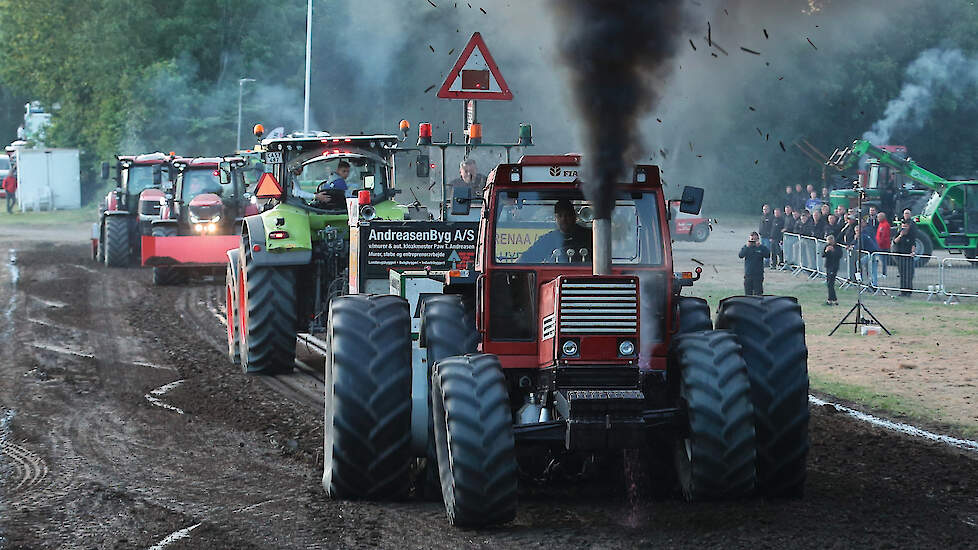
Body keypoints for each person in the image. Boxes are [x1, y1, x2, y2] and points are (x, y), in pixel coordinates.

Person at [519, 199, 591, 263]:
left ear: (574, 217)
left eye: (567, 215)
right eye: (560, 216)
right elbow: (525, 259)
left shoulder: (589, 236)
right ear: (555, 218)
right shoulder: (547, 240)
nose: (564, 219)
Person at [892, 208, 917, 296]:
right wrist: (900, 235)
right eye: (903, 227)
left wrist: (913, 252)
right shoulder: (899, 233)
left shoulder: (911, 233)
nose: (904, 228)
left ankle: (909, 291)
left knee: (909, 275)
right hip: (900, 256)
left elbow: (913, 244)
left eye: (906, 227)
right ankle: (903, 291)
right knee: (902, 275)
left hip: (908, 256)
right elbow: (895, 241)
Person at [739, 231, 770, 296]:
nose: (753, 242)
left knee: (758, 294)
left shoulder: (761, 248)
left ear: (758, 239)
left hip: (758, 274)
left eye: (755, 240)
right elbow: (741, 255)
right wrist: (746, 247)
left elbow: (767, 255)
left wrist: (760, 247)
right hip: (748, 274)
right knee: (748, 294)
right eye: (752, 240)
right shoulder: (747, 247)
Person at [856, 221, 880, 288]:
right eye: (856, 231)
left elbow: (861, 246)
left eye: (858, 230)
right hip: (871, 253)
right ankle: (873, 283)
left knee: (859, 263)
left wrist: (855, 245)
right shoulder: (863, 235)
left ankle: (869, 283)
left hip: (872, 253)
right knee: (872, 269)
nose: (857, 232)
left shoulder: (863, 236)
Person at [822, 234, 842, 305]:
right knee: (829, 283)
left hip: (834, 266)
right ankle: (833, 299)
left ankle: (831, 299)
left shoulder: (838, 247)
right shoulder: (827, 246)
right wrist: (826, 251)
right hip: (828, 265)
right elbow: (823, 255)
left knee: (831, 283)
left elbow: (839, 255)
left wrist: (833, 250)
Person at [876, 211, 891, 277]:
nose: (877, 218)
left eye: (879, 217)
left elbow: (884, 235)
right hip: (880, 245)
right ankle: (883, 272)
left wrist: (880, 243)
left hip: (883, 246)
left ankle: (884, 273)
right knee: (882, 260)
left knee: (883, 260)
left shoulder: (885, 225)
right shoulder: (881, 224)